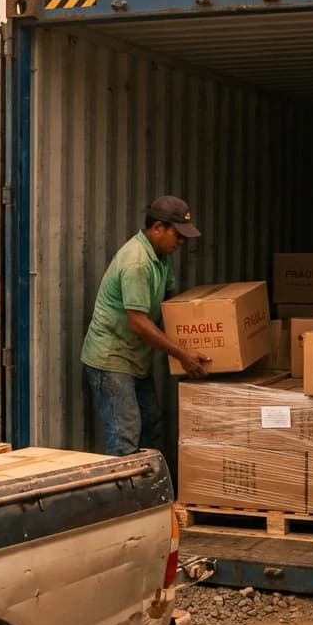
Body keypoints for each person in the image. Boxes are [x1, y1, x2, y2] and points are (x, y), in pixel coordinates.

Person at [82, 195, 212, 456]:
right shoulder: (137, 262)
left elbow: (171, 304)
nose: (182, 242)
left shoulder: (161, 257)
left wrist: (200, 335)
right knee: (125, 435)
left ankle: (147, 481)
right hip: (112, 358)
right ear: (158, 228)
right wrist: (182, 354)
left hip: (135, 358)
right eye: (178, 235)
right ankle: (124, 483)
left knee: (150, 425)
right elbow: (138, 322)